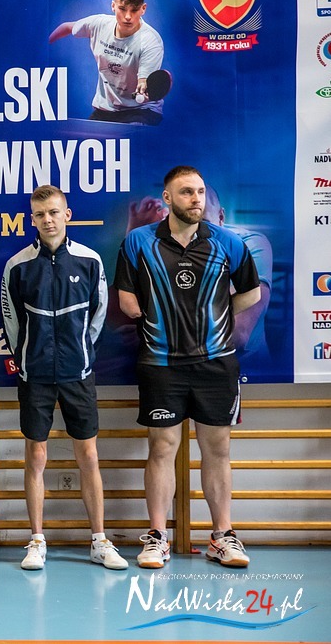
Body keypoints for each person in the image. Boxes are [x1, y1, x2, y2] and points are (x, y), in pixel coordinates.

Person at [114, 165, 261, 569]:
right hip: (160, 364)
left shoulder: (228, 243)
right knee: (161, 448)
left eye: (199, 191)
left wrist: (217, 315)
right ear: (167, 198)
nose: (195, 199)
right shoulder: (139, 241)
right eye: (186, 192)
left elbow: (250, 294)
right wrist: (154, 319)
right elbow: (126, 300)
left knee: (218, 449)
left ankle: (222, 537)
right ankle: (157, 537)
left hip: (216, 364)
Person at [1, 185, 128, 572]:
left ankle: (99, 540)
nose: (48, 220)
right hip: (35, 375)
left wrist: (82, 355)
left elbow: (99, 315)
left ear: (67, 215)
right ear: (32, 219)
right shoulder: (17, 265)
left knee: (88, 455)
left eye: (54, 212)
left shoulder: (90, 261)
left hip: (78, 373)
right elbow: (11, 321)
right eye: (40, 215)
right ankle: (37, 540)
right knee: (36, 456)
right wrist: (26, 359)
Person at [49, 0, 165, 125]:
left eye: (134, 10)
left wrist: (143, 87)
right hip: (106, 109)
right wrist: (44, 47)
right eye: (122, 9)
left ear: (143, 9)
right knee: (81, 137)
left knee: (131, 134)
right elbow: (66, 27)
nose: (128, 16)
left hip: (141, 110)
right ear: (113, 6)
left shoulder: (151, 41)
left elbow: (143, 80)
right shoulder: (99, 24)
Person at [204, 186, 273, 372]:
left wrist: (163, 336)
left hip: (250, 370)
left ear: (220, 217)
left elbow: (236, 336)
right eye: (184, 223)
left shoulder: (250, 244)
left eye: (203, 224)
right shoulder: (162, 243)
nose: (193, 234)